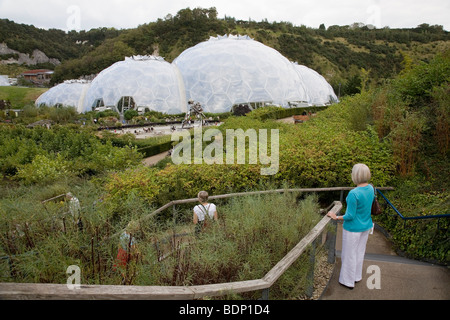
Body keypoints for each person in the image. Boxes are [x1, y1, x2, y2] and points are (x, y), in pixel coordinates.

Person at [327, 163, 375, 289]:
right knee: (359, 252)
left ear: (355, 175)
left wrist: (335, 216)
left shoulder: (354, 193)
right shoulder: (371, 188)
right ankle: (356, 277)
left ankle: (347, 281)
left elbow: (350, 216)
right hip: (366, 226)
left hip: (353, 228)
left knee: (349, 254)